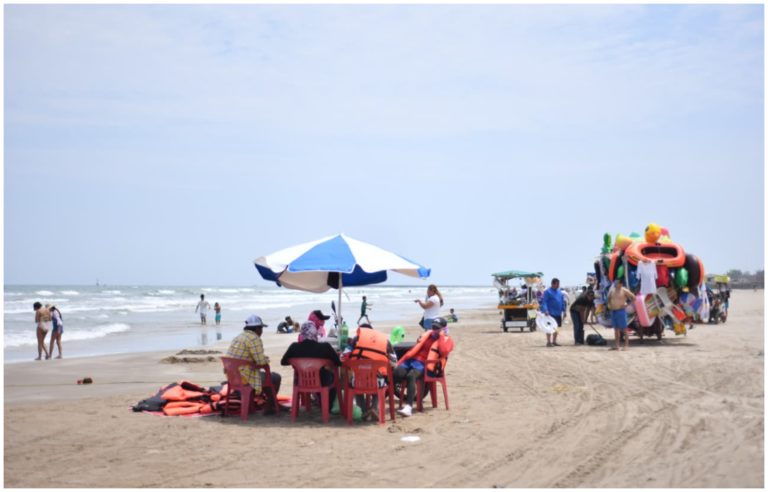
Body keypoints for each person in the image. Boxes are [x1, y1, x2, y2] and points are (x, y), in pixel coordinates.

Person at [394, 317, 453, 417]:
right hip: (412, 360)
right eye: (433, 327)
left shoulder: (448, 340)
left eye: (437, 328)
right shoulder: (427, 335)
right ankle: (378, 403)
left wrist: (442, 336)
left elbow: (444, 351)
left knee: (411, 376)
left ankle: (408, 407)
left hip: (426, 364)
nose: (434, 329)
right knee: (396, 373)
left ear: (443, 329)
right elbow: (417, 346)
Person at [341, 323, 397, 420]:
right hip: (377, 381)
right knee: (380, 382)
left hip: (359, 381)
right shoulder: (385, 341)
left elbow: (343, 357)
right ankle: (374, 408)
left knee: (354, 383)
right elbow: (394, 362)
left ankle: (364, 411)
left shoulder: (355, 340)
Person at [225, 314, 282, 409]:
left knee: (267, 377)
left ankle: (272, 404)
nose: (262, 331)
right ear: (257, 329)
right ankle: (271, 406)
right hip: (245, 378)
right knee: (275, 377)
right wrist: (266, 359)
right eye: (261, 328)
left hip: (232, 377)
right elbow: (261, 362)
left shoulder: (238, 337)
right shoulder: (254, 338)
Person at [281, 321, 341, 408]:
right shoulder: (325, 347)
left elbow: (283, 362)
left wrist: (297, 364)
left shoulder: (294, 347)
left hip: (301, 381)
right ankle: (327, 405)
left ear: (302, 333)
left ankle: (318, 401)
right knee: (330, 375)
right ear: (315, 332)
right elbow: (338, 362)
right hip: (322, 381)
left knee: (320, 375)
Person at [607, 279, 636, 351]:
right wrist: (609, 305)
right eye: (615, 282)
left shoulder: (624, 290)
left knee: (624, 329)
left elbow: (633, 297)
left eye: (617, 283)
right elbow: (609, 298)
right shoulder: (612, 290)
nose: (616, 284)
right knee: (616, 329)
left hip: (621, 311)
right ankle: (617, 345)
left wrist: (627, 304)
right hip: (613, 311)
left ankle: (626, 345)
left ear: (620, 284)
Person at [540, 278, 566, 347]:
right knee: (549, 327)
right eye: (557, 284)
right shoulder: (547, 292)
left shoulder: (560, 292)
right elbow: (544, 302)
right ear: (552, 284)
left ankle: (554, 341)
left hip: (558, 313)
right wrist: (545, 310)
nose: (558, 285)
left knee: (557, 327)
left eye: (558, 284)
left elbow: (562, 302)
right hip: (550, 313)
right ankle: (548, 342)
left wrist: (564, 310)